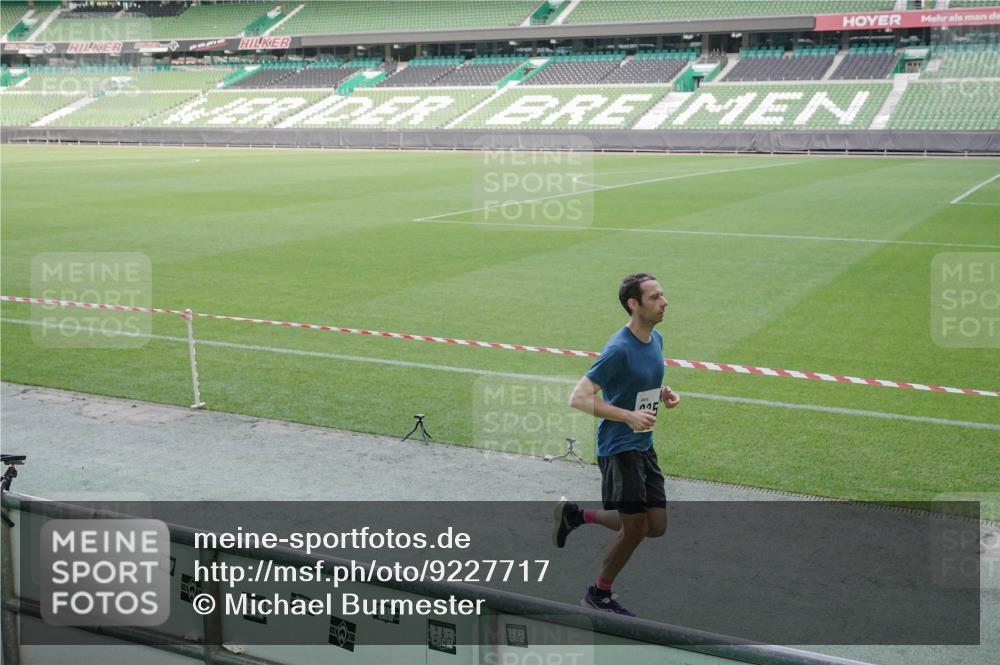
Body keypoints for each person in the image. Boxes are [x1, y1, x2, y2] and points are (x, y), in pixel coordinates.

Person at [555, 273, 680, 616]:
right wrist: (626, 416)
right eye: (655, 297)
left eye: (662, 294)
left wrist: (663, 393)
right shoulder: (618, 349)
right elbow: (578, 398)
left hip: (642, 444)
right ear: (633, 304)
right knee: (635, 529)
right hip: (618, 448)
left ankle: (577, 515)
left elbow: (642, 380)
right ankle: (599, 594)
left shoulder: (655, 339)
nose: (664, 301)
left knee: (655, 526)